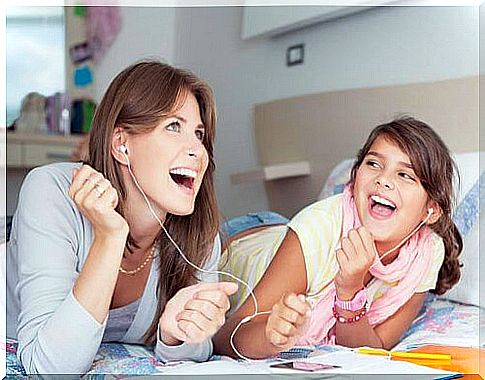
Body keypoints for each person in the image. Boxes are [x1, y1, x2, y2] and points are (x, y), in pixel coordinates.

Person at [6, 60, 238, 374]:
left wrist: (175, 335)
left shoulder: (198, 230)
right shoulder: (50, 190)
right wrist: (110, 236)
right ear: (121, 143)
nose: (197, 149)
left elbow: (198, 348)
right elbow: (48, 368)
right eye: (173, 126)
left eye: (199, 134)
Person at [213, 117, 463, 359]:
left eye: (405, 175)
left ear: (431, 209)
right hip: (239, 238)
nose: (383, 180)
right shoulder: (317, 230)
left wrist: (349, 292)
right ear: (355, 179)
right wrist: (268, 336)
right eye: (374, 164)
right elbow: (225, 338)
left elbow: (372, 350)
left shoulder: (427, 253)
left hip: (282, 230)